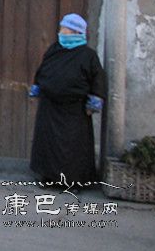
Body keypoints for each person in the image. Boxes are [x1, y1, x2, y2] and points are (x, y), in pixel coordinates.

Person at [29, 13, 105, 185]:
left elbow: (97, 81)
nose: (61, 32)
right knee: (48, 144)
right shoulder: (54, 50)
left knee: (73, 147)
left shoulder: (88, 56)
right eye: (61, 28)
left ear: (76, 32)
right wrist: (37, 88)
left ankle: (74, 181)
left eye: (65, 29)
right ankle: (48, 176)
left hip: (74, 110)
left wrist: (93, 104)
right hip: (50, 107)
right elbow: (42, 70)